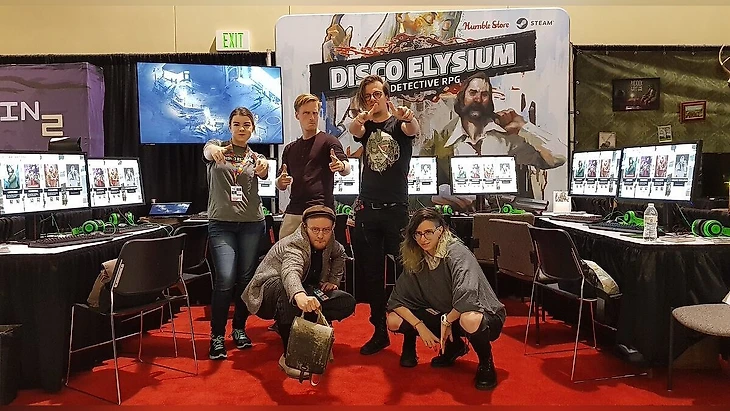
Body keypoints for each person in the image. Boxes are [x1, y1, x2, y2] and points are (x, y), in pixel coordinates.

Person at [386, 208, 506, 390]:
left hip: (482, 314)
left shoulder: (456, 251)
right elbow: (397, 299)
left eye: (428, 232)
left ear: (440, 230)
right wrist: (420, 326)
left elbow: (467, 296)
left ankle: (486, 362)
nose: (423, 239)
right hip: (445, 313)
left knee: (470, 319)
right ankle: (453, 346)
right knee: (393, 320)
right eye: (418, 234)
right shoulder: (417, 254)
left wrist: (447, 321)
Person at [348, 74, 421, 355]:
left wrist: (408, 117)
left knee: (405, 274)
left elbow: (413, 128)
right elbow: (354, 130)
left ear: (387, 96)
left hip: (396, 212)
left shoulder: (399, 124)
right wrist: (362, 117)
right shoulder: (365, 126)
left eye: (377, 94)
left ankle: (409, 341)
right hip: (368, 211)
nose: (373, 99)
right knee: (372, 276)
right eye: (367, 96)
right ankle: (380, 331)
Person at [242, 205, 356, 378]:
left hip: (306, 288)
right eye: (315, 229)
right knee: (286, 290)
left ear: (332, 228)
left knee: (346, 302)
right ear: (304, 227)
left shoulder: (331, 241)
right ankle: (288, 357)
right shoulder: (295, 244)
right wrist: (299, 294)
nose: (320, 235)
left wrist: (333, 280)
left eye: (326, 230)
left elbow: (340, 254)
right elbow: (290, 271)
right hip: (267, 292)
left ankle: (306, 333)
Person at [202, 106, 269, 360]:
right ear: (230, 127)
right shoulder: (216, 148)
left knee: (245, 279)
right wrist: (213, 151)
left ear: (253, 129)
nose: (241, 128)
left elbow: (264, 171)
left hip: (252, 224)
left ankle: (239, 328)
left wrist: (264, 166)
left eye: (246, 125)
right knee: (225, 278)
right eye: (237, 124)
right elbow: (207, 151)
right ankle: (217, 336)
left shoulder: (256, 157)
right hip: (221, 225)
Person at [276, 93, 351, 238]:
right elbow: (280, 183)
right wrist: (280, 181)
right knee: (283, 249)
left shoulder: (329, 141)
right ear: (297, 115)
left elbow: (346, 167)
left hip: (320, 209)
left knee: (320, 251)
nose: (312, 117)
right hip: (294, 210)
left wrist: (341, 166)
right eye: (306, 113)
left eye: (315, 113)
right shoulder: (290, 149)